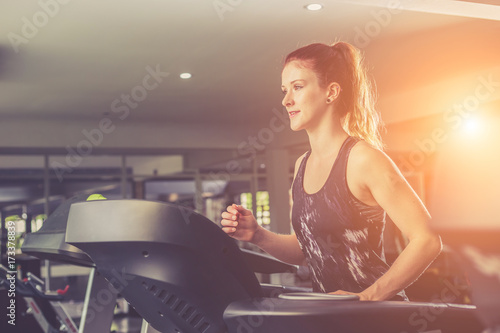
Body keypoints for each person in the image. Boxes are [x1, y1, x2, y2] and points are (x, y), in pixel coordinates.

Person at [220, 41, 442, 301]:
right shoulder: (303, 165)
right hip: (330, 317)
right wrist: (258, 235)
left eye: (298, 87)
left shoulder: (363, 159)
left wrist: (367, 297)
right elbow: (308, 251)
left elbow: (427, 240)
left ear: (331, 92)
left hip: (376, 319)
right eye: (284, 90)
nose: (286, 100)